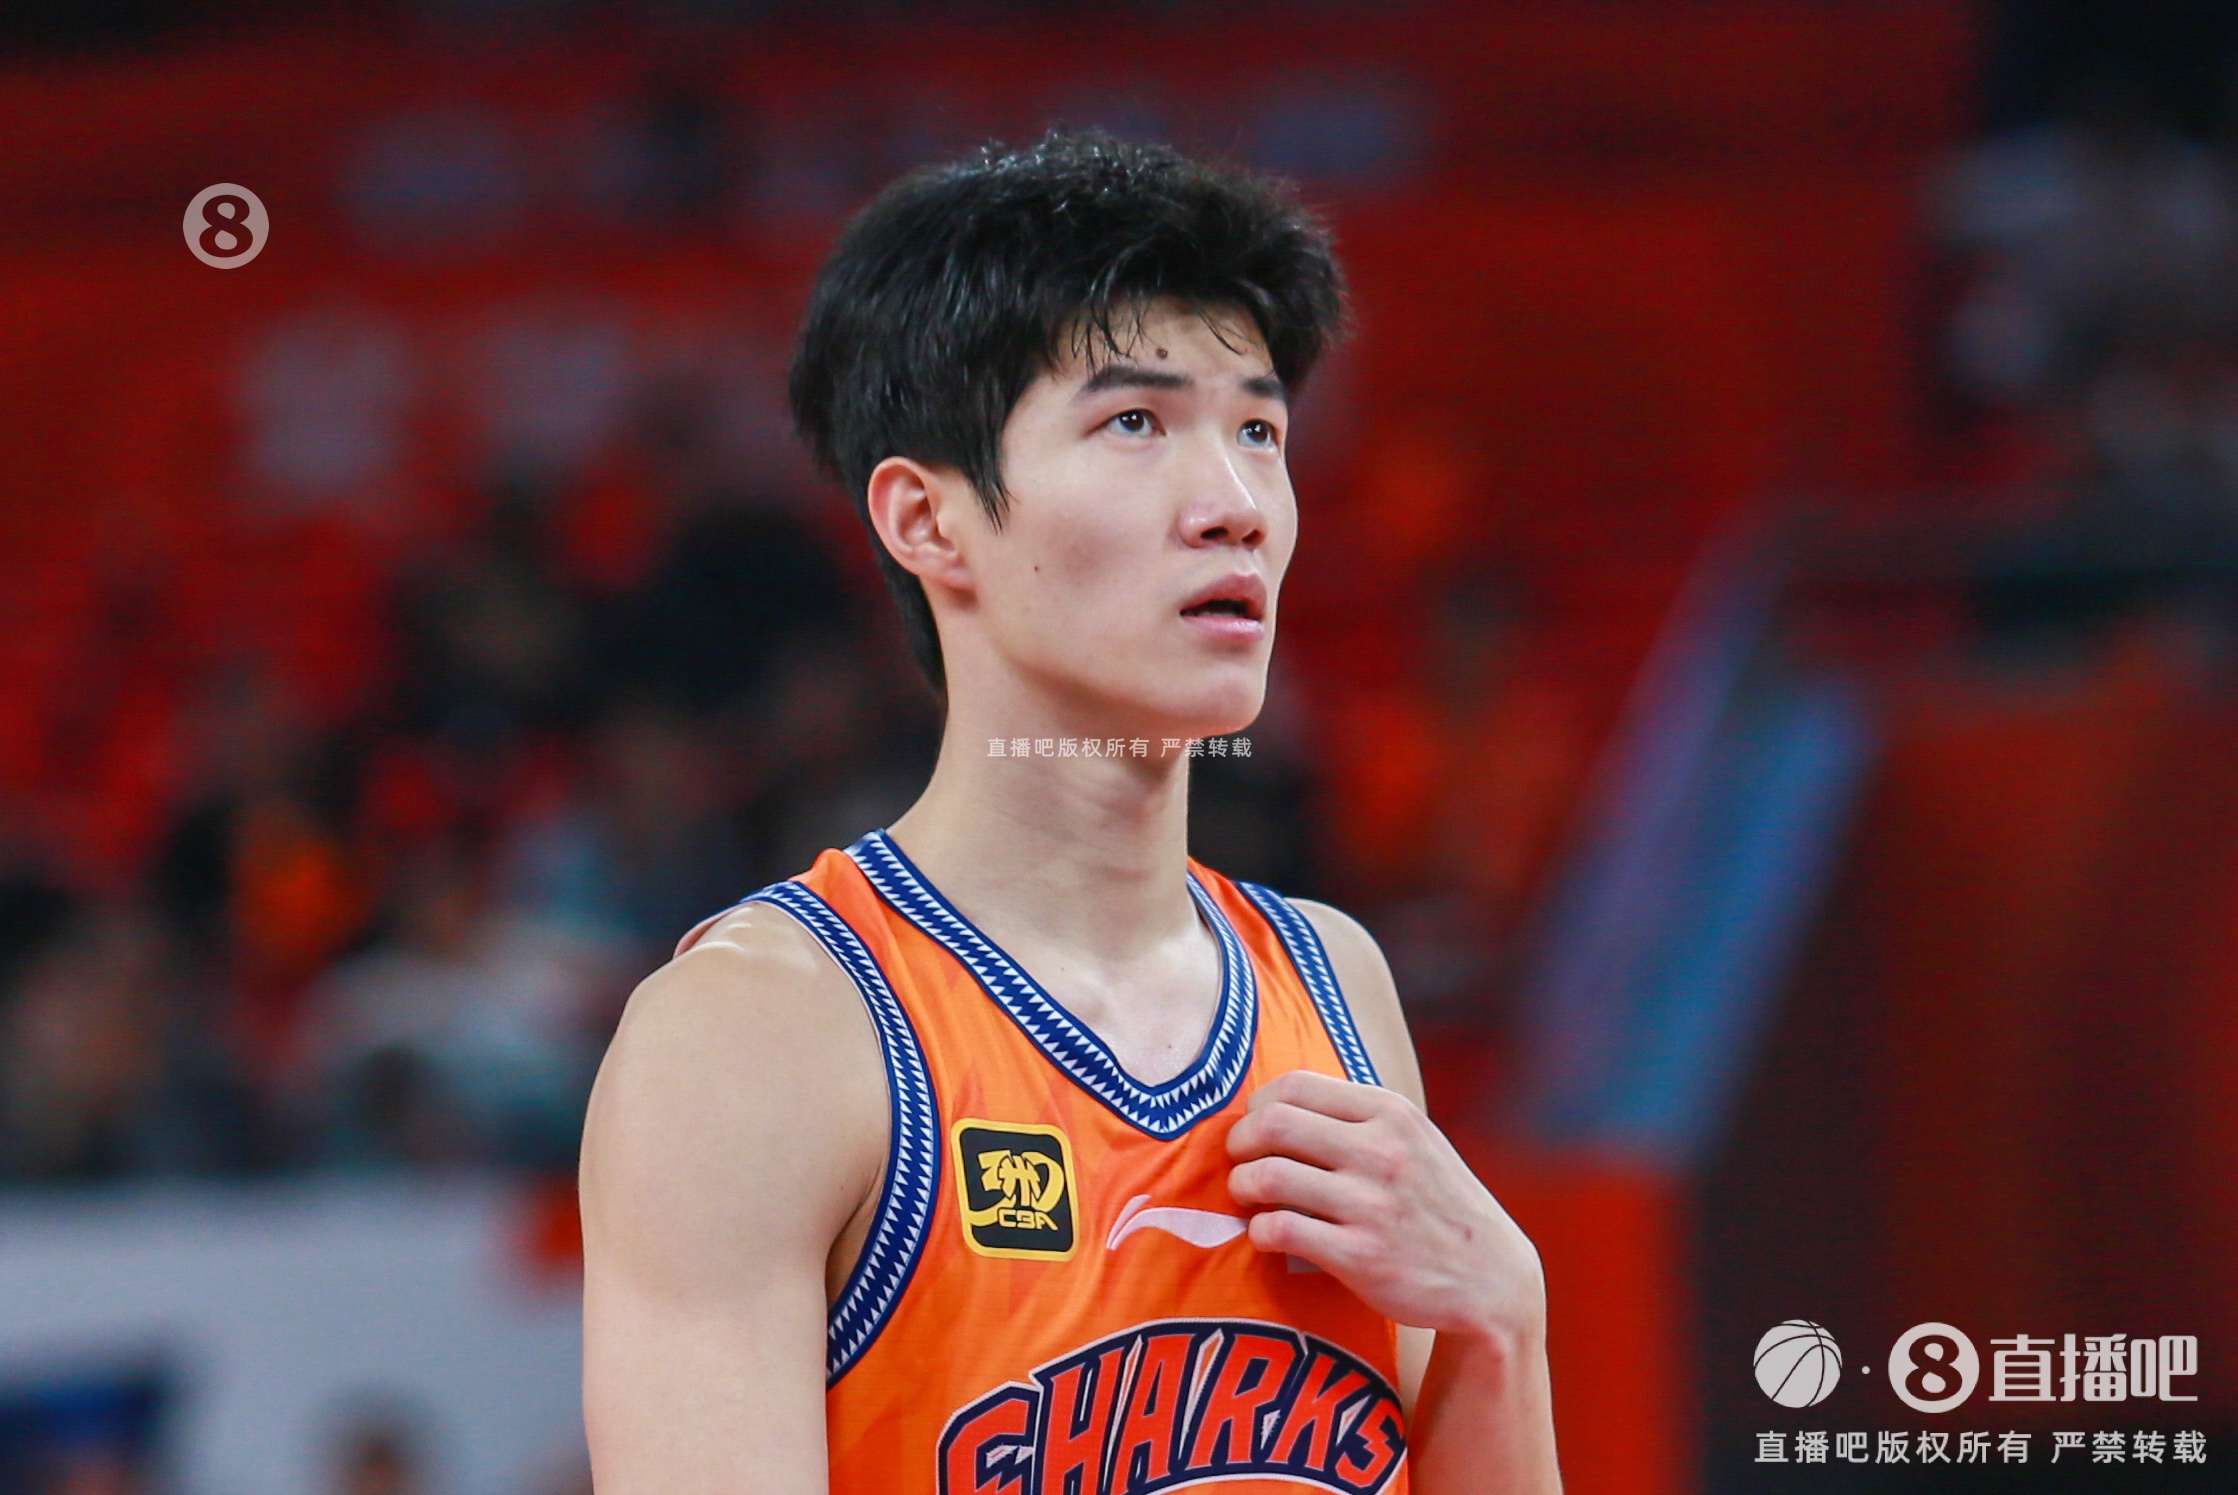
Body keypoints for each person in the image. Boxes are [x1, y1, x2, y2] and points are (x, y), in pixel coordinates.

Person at [579, 131, 1561, 1495]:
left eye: (1259, 431)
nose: (1235, 507)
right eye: (1135, 424)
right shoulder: (761, 1032)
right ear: (929, 522)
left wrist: (1505, 1327)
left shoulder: (1335, 988)